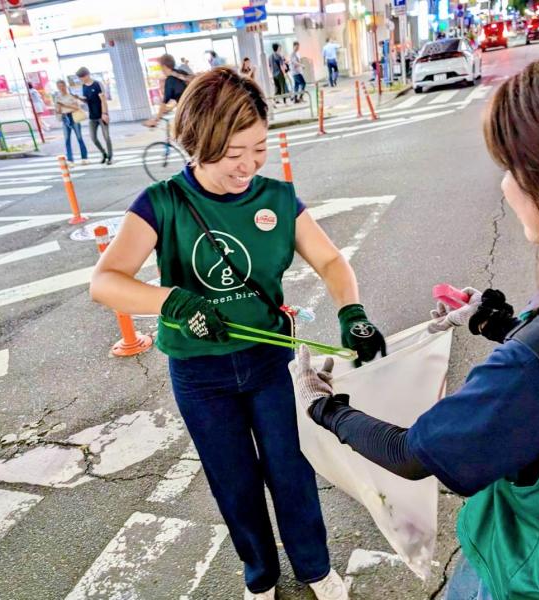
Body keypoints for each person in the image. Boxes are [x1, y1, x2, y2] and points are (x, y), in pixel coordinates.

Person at [291, 29, 539, 600]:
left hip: (538, 579)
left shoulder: (527, 376)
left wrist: (324, 406)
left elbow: (414, 454)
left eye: (514, 167)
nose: (506, 187)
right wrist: (496, 324)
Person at [90, 67, 386, 600]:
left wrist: (352, 313)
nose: (248, 166)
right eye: (233, 154)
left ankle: (315, 570)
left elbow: (330, 260)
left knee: (290, 472)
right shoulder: (161, 202)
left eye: (258, 149)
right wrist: (173, 301)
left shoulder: (276, 197)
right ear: (199, 142)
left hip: (268, 364)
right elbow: (105, 282)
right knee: (235, 483)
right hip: (199, 374)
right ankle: (260, 579)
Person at [76, 67, 113, 165]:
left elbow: (103, 100)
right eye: (80, 78)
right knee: (93, 138)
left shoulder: (97, 84)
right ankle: (103, 153)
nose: (81, 79)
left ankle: (110, 157)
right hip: (92, 116)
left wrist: (104, 114)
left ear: (87, 75)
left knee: (106, 137)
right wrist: (79, 98)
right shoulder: (84, 86)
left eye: (82, 77)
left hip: (102, 115)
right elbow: (87, 100)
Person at [144, 54, 191, 129]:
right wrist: (171, 108)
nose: (161, 70)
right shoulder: (180, 73)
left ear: (164, 66)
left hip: (190, 113)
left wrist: (156, 120)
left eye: (161, 67)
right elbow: (183, 94)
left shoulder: (170, 81)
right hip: (194, 108)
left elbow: (164, 104)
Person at [53, 80, 88, 165]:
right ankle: (70, 160)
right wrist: (58, 108)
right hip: (65, 118)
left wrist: (64, 105)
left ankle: (84, 158)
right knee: (67, 140)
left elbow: (77, 108)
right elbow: (58, 110)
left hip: (73, 117)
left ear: (65, 86)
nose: (61, 88)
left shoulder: (71, 96)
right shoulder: (57, 97)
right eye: (59, 86)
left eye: (62, 86)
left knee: (79, 138)